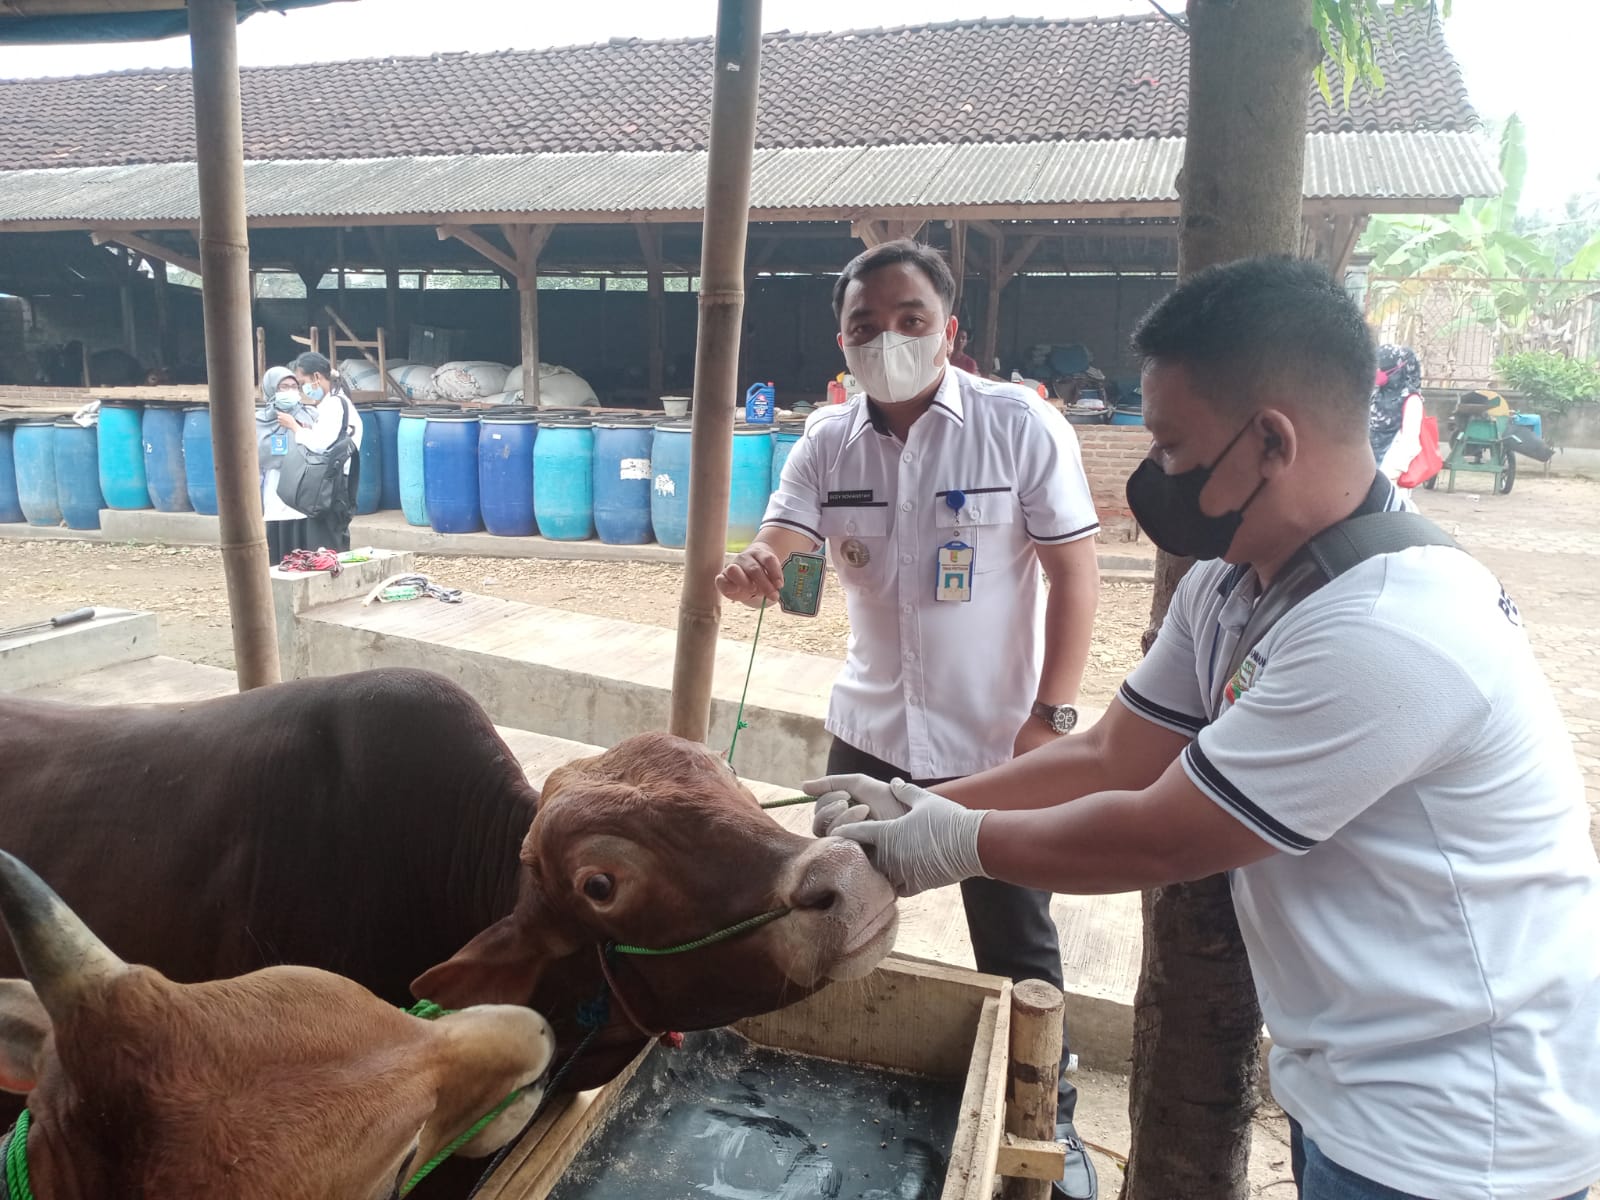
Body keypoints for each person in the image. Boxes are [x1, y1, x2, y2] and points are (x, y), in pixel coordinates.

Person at [806, 257, 1600, 1200]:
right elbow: (1113, 756)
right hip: (1344, 1072)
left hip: (1462, 1121)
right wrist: (918, 801)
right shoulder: (1235, 581)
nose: (1158, 478)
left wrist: (935, 846)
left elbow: (1159, 832)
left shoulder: (1389, 627)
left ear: (1271, 440)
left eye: (1176, 452)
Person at [715, 238, 1103, 1200]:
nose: (886, 339)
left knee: (1013, 937)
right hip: (869, 739)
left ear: (949, 331)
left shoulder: (1020, 427)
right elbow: (783, 534)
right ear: (841, 341)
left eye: (909, 321)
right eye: (864, 326)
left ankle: (1046, 1115)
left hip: (997, 742)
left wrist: (1052, 716)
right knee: (830, 913)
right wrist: (757, 567)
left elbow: (1074, 573)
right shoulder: (827, 442)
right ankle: (808, 1091)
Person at [290, 351, 363, 553]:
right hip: (337, 482)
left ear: (316, 377)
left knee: (326, 544)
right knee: (330, 540)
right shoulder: (336, 402)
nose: (303, 388)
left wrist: (296, 429)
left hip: (332, 484)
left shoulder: (334, 404)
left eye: (302, 381)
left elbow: (320, 444)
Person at [257, 365, 317, 564]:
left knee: (304, 542)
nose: (290, 391)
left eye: (294, 386)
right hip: (276, 489)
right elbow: (262, 454)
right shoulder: (260, 420)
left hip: (304, 487)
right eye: (284, 387)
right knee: (280, 544)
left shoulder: (309, 414)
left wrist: (295, 428)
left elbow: (316, 446)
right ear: (271, 389)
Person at [1368, 343, 1425, 494]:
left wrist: (1389, 475)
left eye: (1383, 368)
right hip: (1368, 467)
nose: (1378, 372)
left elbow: (1410, 443)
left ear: (1399, 369)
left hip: (1390, 475)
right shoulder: (1376, 394)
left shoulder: (1411, 400)